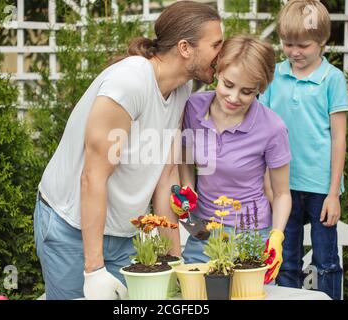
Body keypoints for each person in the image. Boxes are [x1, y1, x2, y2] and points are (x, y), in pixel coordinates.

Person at [33, 1, 223, 300]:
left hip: (123, 233)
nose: (221, 54)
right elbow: (93, 177)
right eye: (216, 44)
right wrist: (93, 271)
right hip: (72, 228)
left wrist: (174, 262)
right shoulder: (130, 83)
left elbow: (167, 176)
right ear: (185, 48)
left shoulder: (181, 88)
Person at [171, 35, 292, 284]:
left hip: (250, 235)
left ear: (261, 88)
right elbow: (185, 156)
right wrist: (187, 189)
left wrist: (277, 236)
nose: (234, 97)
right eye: (228, 84)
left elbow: (281, 194)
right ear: (217, 71)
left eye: (247, 92)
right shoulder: (193, 108)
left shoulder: (272, 128)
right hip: (203, 233)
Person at [259, 0, 348, 300]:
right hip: (283, 186)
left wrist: (333, 193)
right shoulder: (274, 77)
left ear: (322, 41)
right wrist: (266, 181)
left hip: (321, 187)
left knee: (326, 262)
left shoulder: (332, 79)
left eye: (303, 45)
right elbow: (263, 135)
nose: (294, 52)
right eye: (287, 44)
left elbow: (338, 139)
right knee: (285, 259)